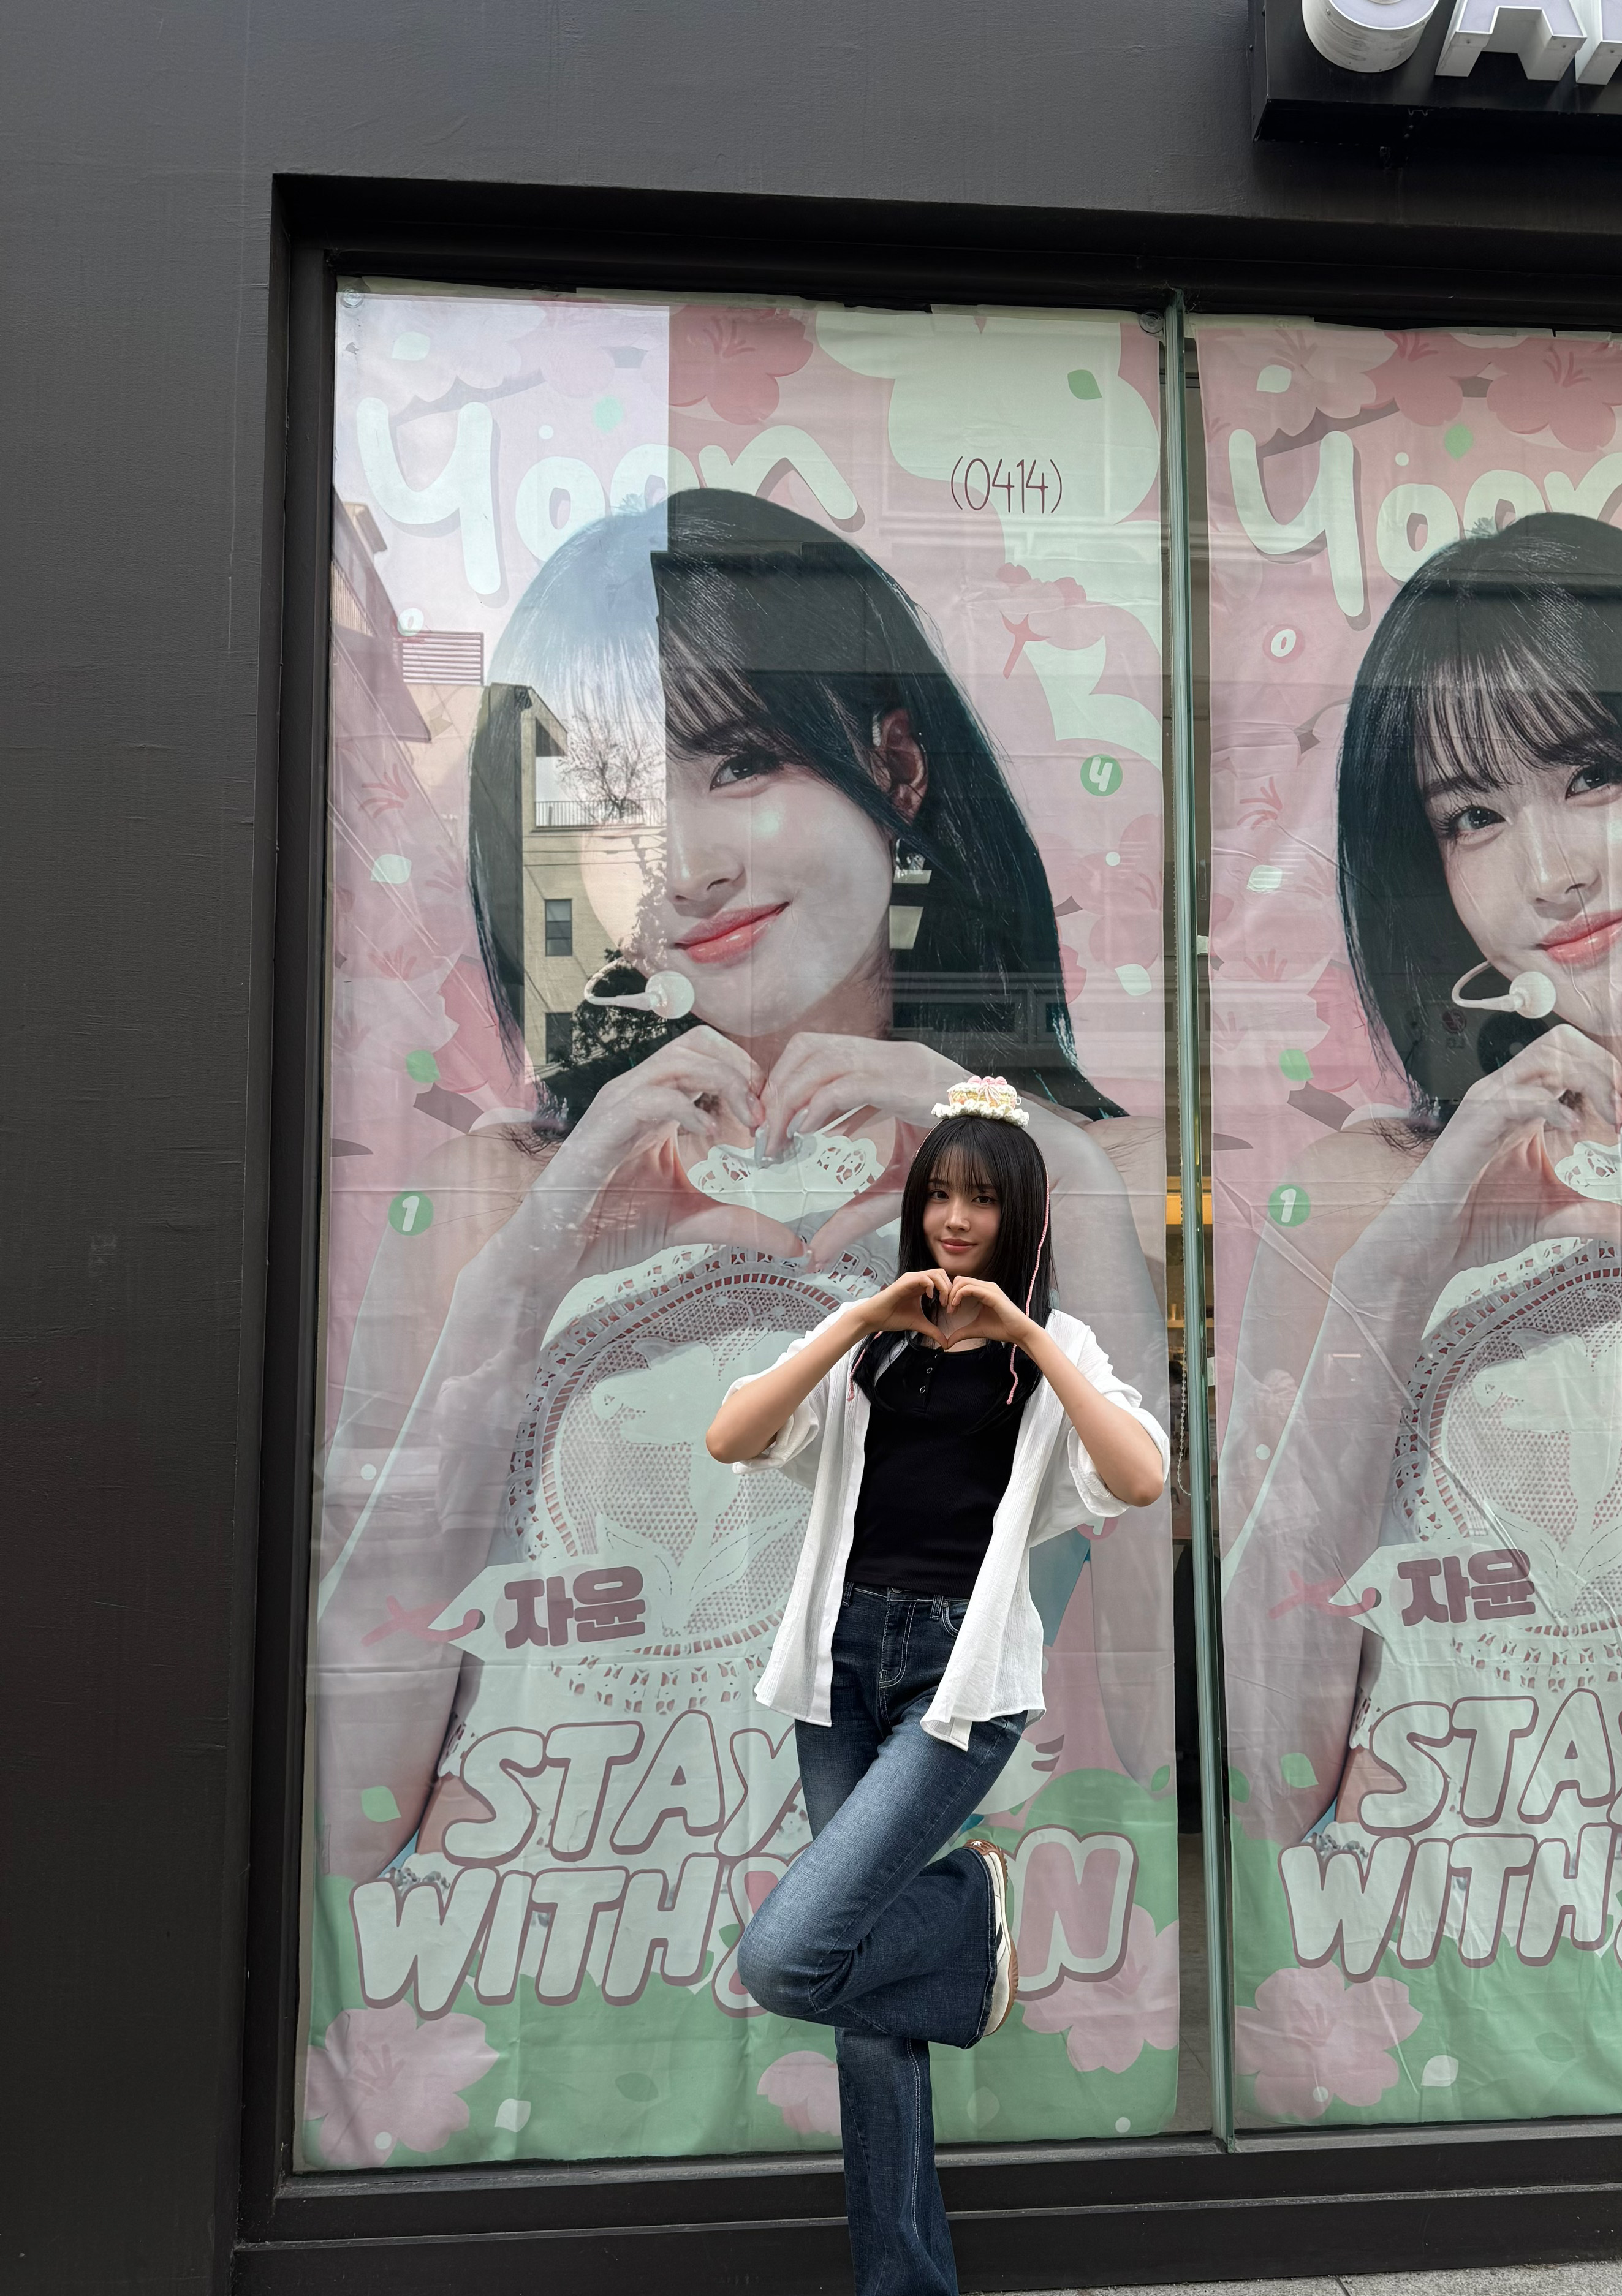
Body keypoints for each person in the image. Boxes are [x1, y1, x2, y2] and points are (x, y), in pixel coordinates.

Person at [309, 491, 1168, 2097]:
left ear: (894, 766)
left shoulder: (1071, 1176)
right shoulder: (502, 1197)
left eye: (739, 762)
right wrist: (539, 1256)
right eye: (616, 798)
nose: (686, 864)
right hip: (556, 2003)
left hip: (988, 2008)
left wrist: (1045, 1170)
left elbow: (1153, 1722)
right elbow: (359, 1768)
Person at [1218, 511, 1622, 1850]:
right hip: (1469, 1951)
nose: (1550, 873)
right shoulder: (1372, 1198)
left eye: (1593, 774)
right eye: (1472, 816)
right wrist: (1392, 1283)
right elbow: (1276, 1777)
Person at [707, 1082, 1167, 2296]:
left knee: (789, 1956)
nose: (956, 1220)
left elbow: (1140, 1475)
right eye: (940, 1195)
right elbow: (735, 1436)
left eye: (982, 1200)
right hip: (840, 1671)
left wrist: (1026, 1333)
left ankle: (965, 1904)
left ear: (1020, 1217)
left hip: (957, 1687)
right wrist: (858, 1318)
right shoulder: (871, 1348)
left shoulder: (1054, 1347)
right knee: (869, 2016)